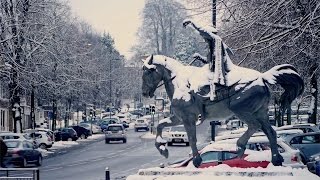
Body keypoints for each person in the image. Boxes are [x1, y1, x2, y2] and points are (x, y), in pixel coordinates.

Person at [183, 20, 233, 100]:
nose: (204, 39)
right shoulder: (212, 47)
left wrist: (192, 23)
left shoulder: (214, 39)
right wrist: (200, 57)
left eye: (205, 37)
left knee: (199, 78)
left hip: (219, 71)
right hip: (212, 69)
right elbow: (209, 61)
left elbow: (202, 31)